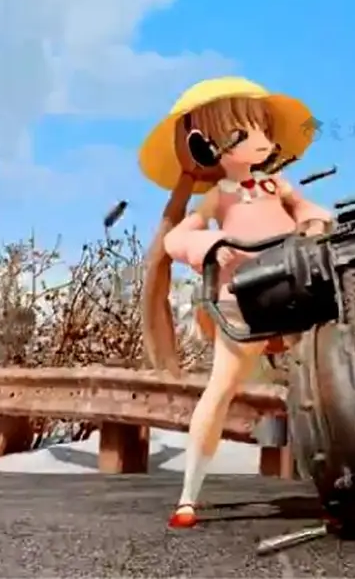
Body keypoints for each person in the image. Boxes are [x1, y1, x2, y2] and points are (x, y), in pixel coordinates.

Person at [138, 76, 332, 530]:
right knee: (220, 389)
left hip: (295, 294)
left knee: (319, 389)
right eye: (243, 133)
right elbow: (178, 238)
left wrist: (313, 223)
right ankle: (188, 495)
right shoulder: (219, 196)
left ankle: (335, 486)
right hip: (243, 306)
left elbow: (309, 209)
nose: (261, 141)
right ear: (205, 147)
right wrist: (210, 244)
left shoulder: (277, 185)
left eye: (264, 129)